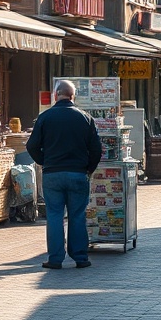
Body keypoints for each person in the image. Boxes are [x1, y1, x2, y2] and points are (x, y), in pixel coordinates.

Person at [27, 79, 103, 269]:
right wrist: (89, 169)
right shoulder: (85, 118)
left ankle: (55, 259)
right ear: (73, 96)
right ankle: (80, 257)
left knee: (54, 215)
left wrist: (44, 161)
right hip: (78, 173)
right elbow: (96, 149)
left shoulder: (45, 117)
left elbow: (32, 145)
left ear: (55, 95)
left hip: (53, 174)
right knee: (77, 215)